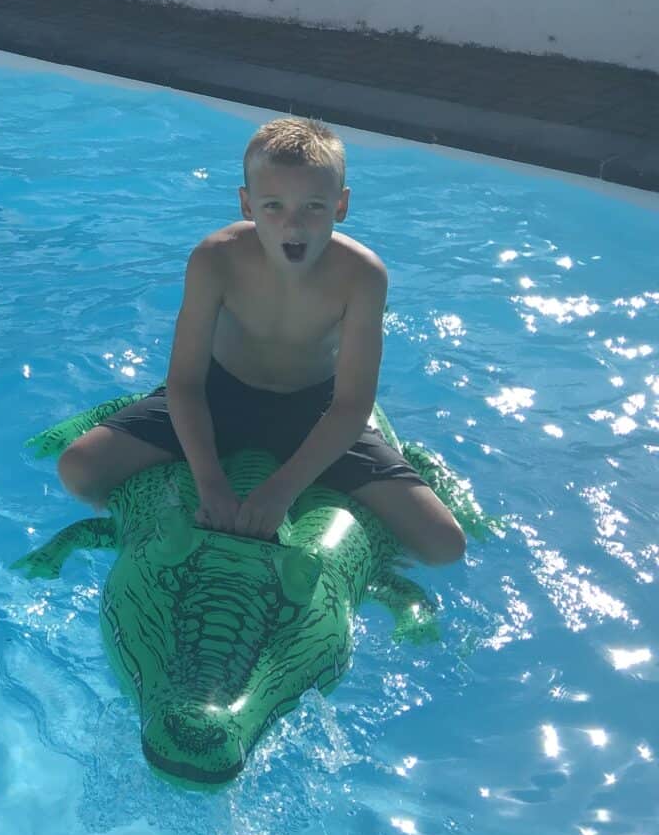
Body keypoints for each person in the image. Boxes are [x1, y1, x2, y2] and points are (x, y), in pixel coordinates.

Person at [56, 117, 466, 565]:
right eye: (273, 206)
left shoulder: (363, 277)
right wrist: (209, 481)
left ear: (341, 205)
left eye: (313, 206)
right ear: (246, 205)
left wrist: (282, 491)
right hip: (220, 395)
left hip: (315, 411)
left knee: (443, 544)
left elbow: (351, 405)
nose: (294, 225)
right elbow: (186, 382)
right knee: (80, 471)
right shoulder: (215, 259)